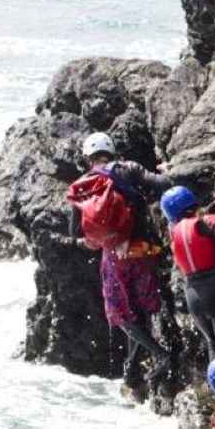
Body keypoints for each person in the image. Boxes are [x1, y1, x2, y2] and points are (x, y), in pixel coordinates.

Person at [67, 132, 174, 387]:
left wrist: (99, 239)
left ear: (87, 158)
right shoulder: (128, 169)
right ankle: (134, 365)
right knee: (143, 307)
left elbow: (74, 232)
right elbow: (163, 183)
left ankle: (158, 356)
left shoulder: (82, 185)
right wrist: (168, 171)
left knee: (123, 314)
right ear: (112, 151)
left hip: (113, 257)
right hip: (143, 250)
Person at [161, 184, 215, 359]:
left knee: (214, 348)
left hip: (193, 296)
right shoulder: (208, 221)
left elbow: (198, 221)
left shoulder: (174, 231)